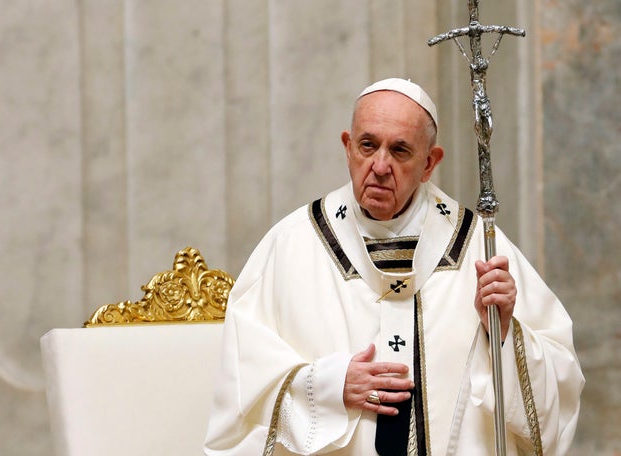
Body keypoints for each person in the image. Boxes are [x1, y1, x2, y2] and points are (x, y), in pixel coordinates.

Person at [203, 78, 584, 455]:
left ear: (430, 163)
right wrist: (329, 387)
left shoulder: (477, 247)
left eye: (400, 150)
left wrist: (502, 333)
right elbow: (242, 383)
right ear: (347, 147)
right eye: (368, 145)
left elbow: (559, 381)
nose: (380, 165)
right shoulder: (291, 245)